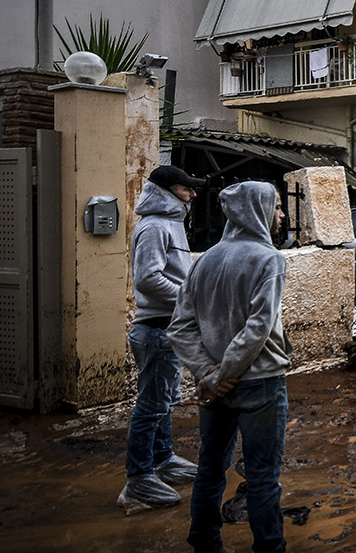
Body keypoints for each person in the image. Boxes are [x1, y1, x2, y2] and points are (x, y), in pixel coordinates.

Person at [168, 181, 290, 553]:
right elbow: (258, 328)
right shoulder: (269, 260)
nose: (281, 215)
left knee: (210, 470)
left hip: (214, 391)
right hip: (260, 385)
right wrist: (218, 375)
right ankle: (270, 547)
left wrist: (207, 374)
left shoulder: (204, 260)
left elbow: (180, 327)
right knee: (263, 477)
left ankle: (204, 541)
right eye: (277, 207)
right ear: (257, 210)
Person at [119, 165, 205, 512]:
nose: (193, 194)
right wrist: (190, 297)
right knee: (151, 406)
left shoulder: (170, 224)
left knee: (165, 402)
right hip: (156, 329)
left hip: (168, 328)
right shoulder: (154, 226)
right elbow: (148, 279)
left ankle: (163, 460)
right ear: (168, 191)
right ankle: (138, 479)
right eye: (187, 189)